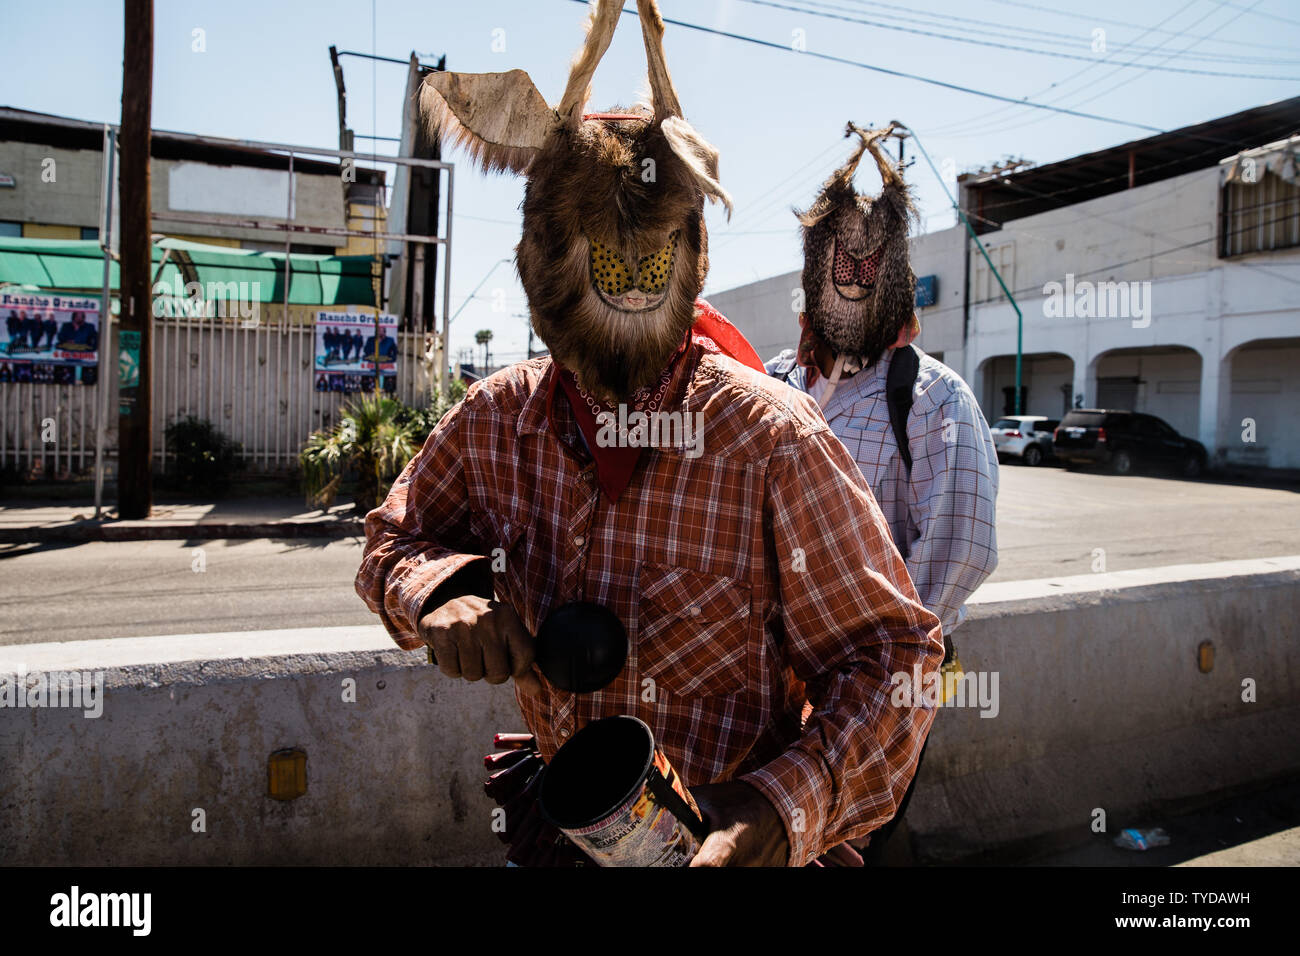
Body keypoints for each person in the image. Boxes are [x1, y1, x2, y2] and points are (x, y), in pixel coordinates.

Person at [355, 0, 943, 868]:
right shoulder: (493, 423)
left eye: (646, 261)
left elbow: (896, 658)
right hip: (561, 824)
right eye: (605, 258)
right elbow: (394, 539)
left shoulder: (773, 442)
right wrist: (441, 594)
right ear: (538, 258)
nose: (628, 287)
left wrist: (776, 808)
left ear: (692, 253)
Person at [768, 123, 999, 864]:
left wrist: (874, 669)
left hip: (872, 694)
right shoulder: (772, 385)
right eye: (839, 258)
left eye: (869, 261)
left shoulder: (935, 400)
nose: (852, 275)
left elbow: (958, 553)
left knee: (842, 845)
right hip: (766, 687)